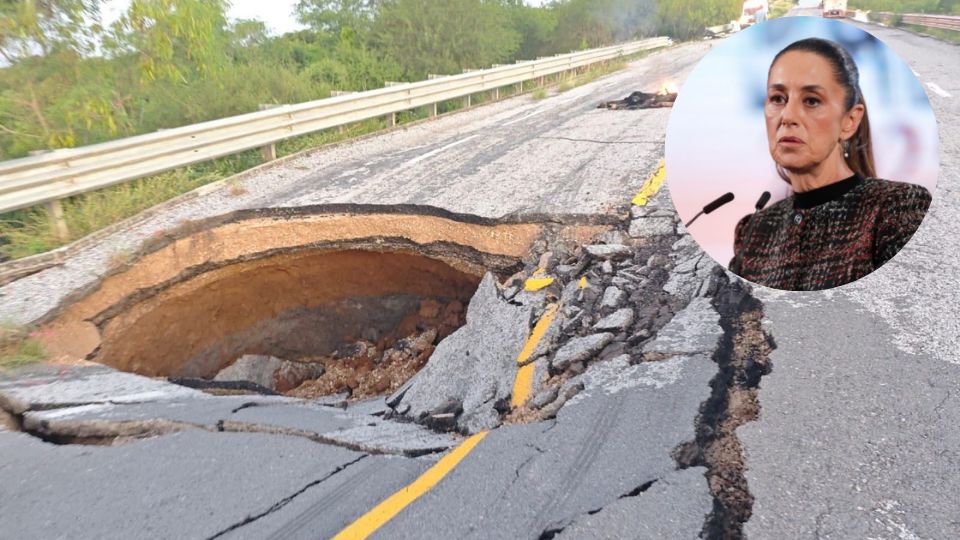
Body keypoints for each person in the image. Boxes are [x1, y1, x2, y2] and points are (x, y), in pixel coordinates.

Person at [729, 37, 931, 291]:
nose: (787, 117)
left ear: (849, 121)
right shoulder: (753, 231)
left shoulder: (896, 208)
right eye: (778, 98)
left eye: (811, 100)